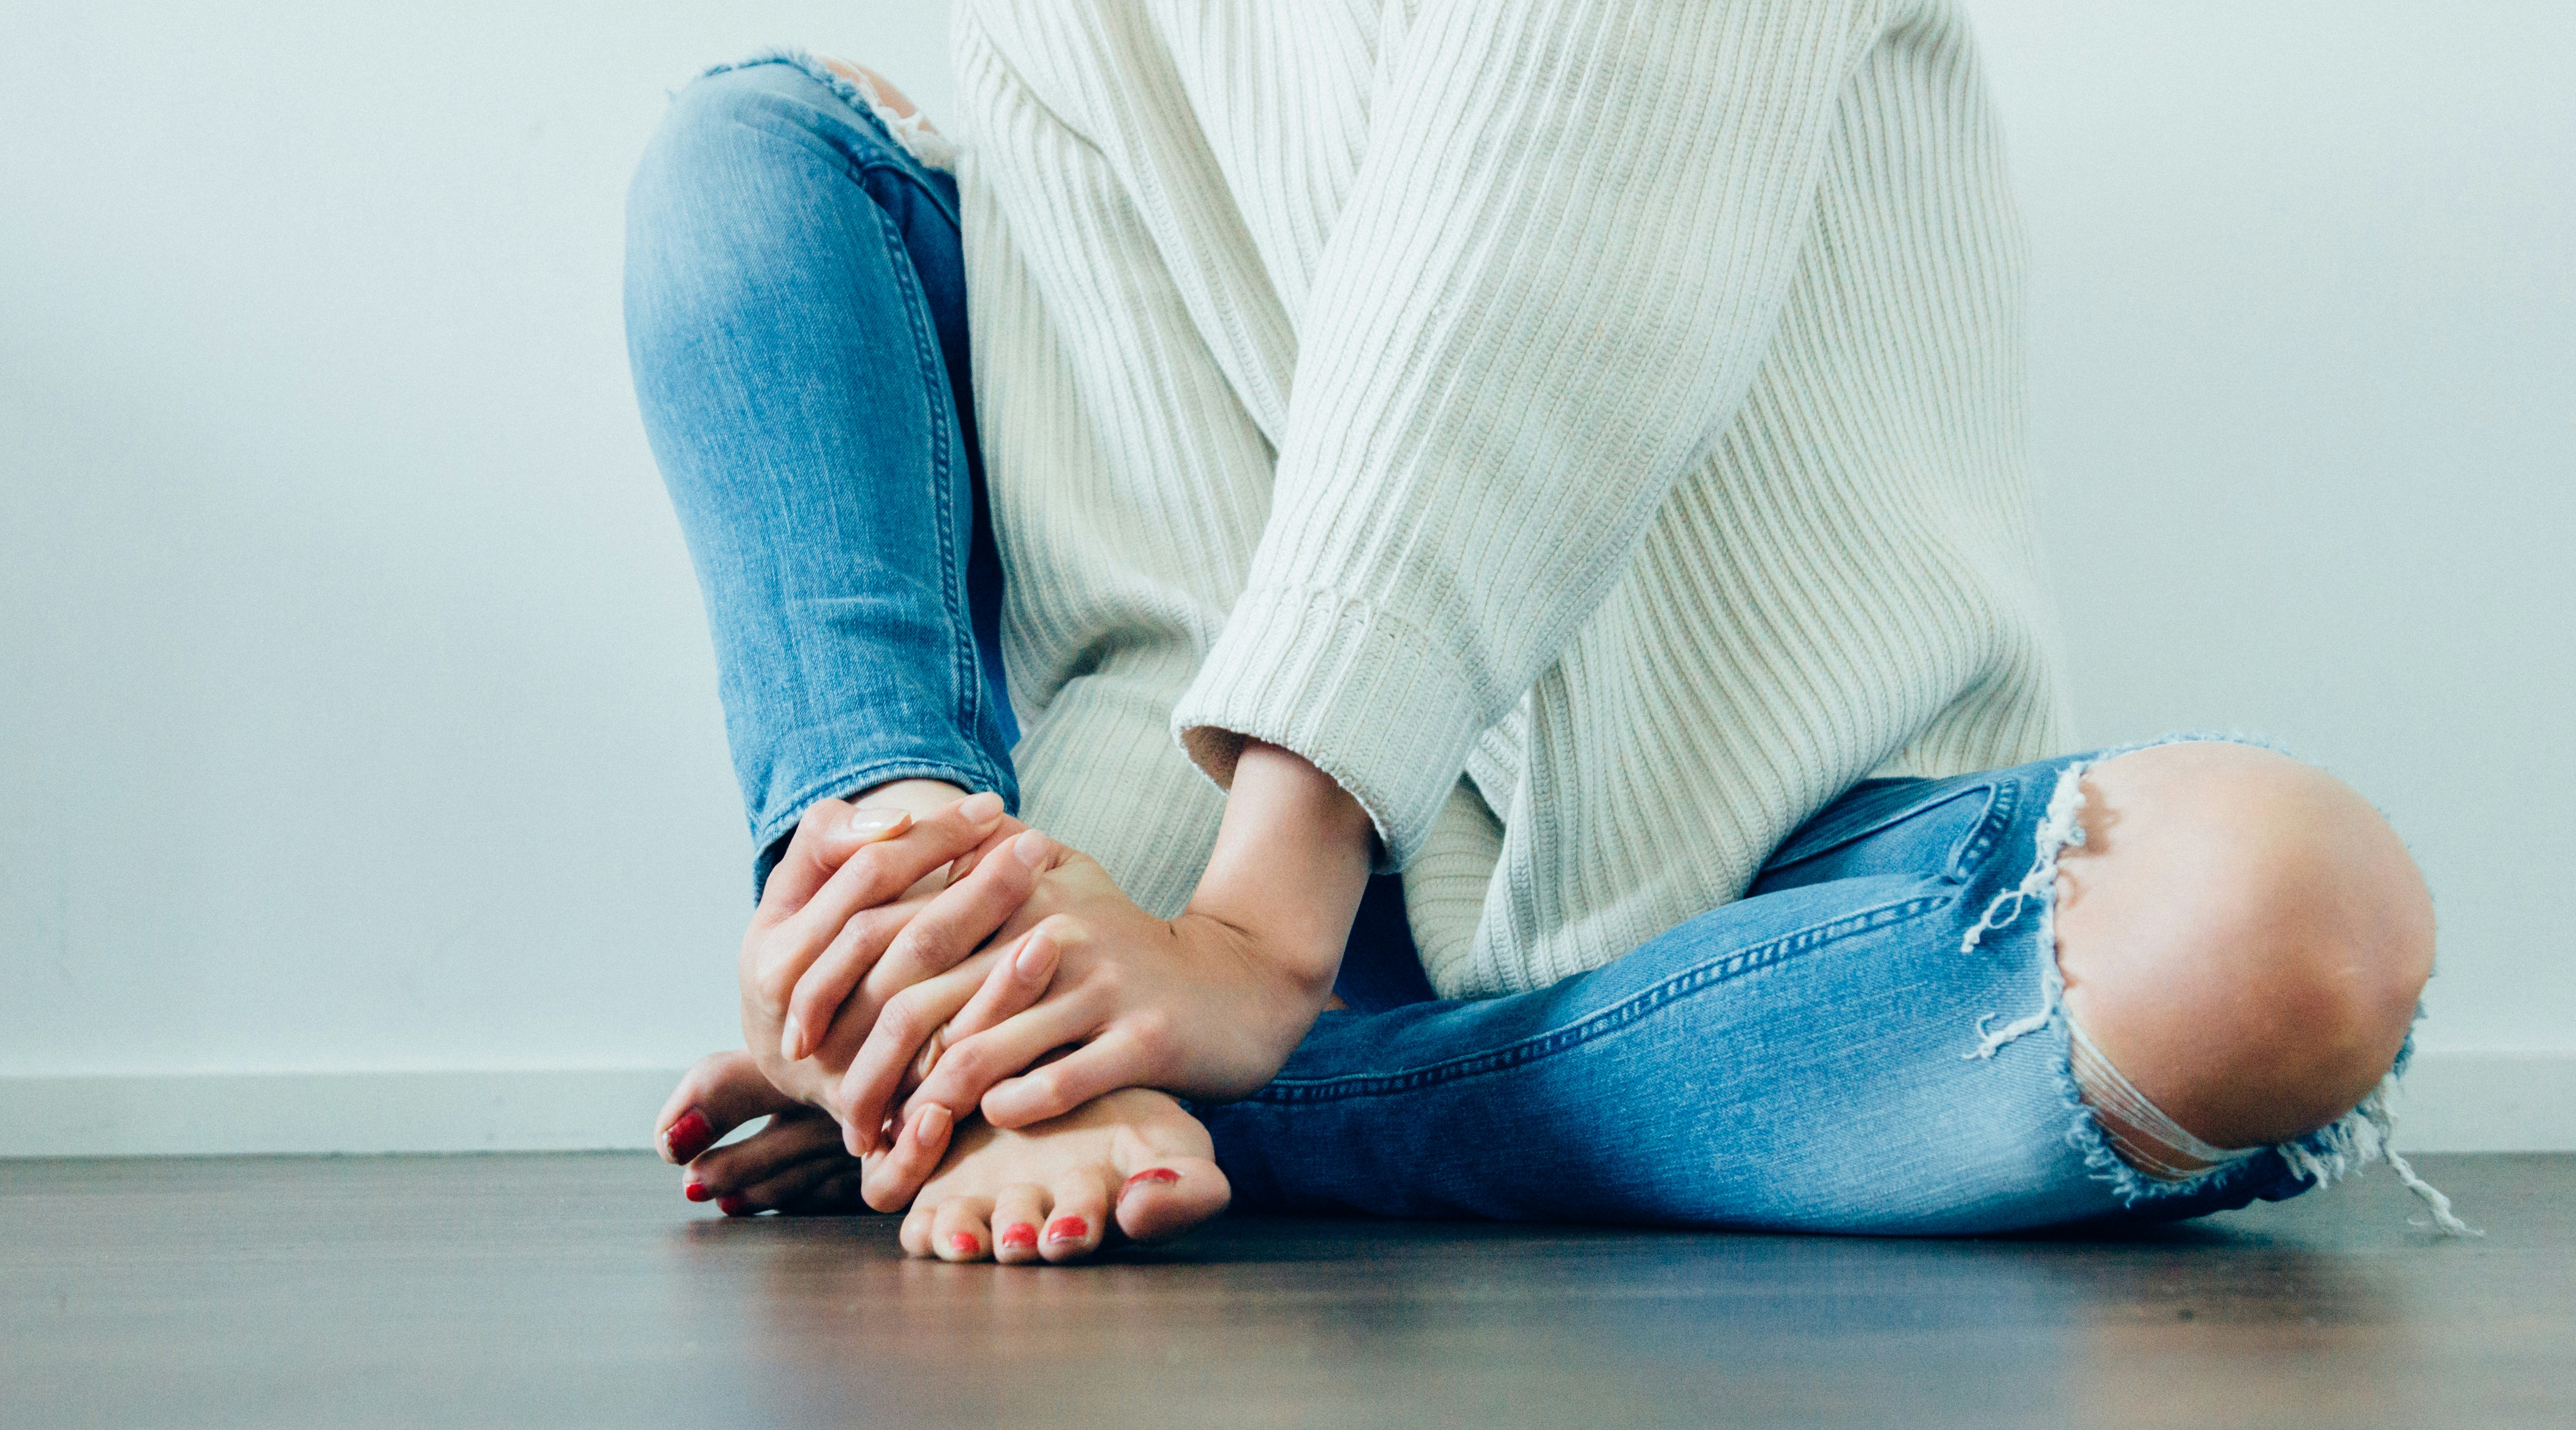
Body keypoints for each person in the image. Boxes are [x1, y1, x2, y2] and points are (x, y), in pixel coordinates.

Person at [621, 4, 2460, 1266]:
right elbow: (1151, 569)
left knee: (2287, 920)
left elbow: (1533, 252)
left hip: (1773, 868)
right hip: (1291, 872)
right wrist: (1031, 972)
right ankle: (905, 978)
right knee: (762, 157)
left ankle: (1234, 1110)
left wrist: (1249, 949)